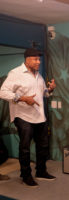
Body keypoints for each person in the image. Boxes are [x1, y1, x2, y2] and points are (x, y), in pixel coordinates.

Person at [0, 48, 56, 187]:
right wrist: (22, 98)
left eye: (39, 59)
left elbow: (42, 93)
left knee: (43, 146)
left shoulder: (38, 75)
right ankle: (25, 175)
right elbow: (3, 92)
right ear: (27, 59)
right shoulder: (15, 73)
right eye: (35, 59)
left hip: (39, 116)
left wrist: (50, 90)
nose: (39, 62)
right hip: (23, 116)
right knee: (25, 148)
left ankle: (41, 171)